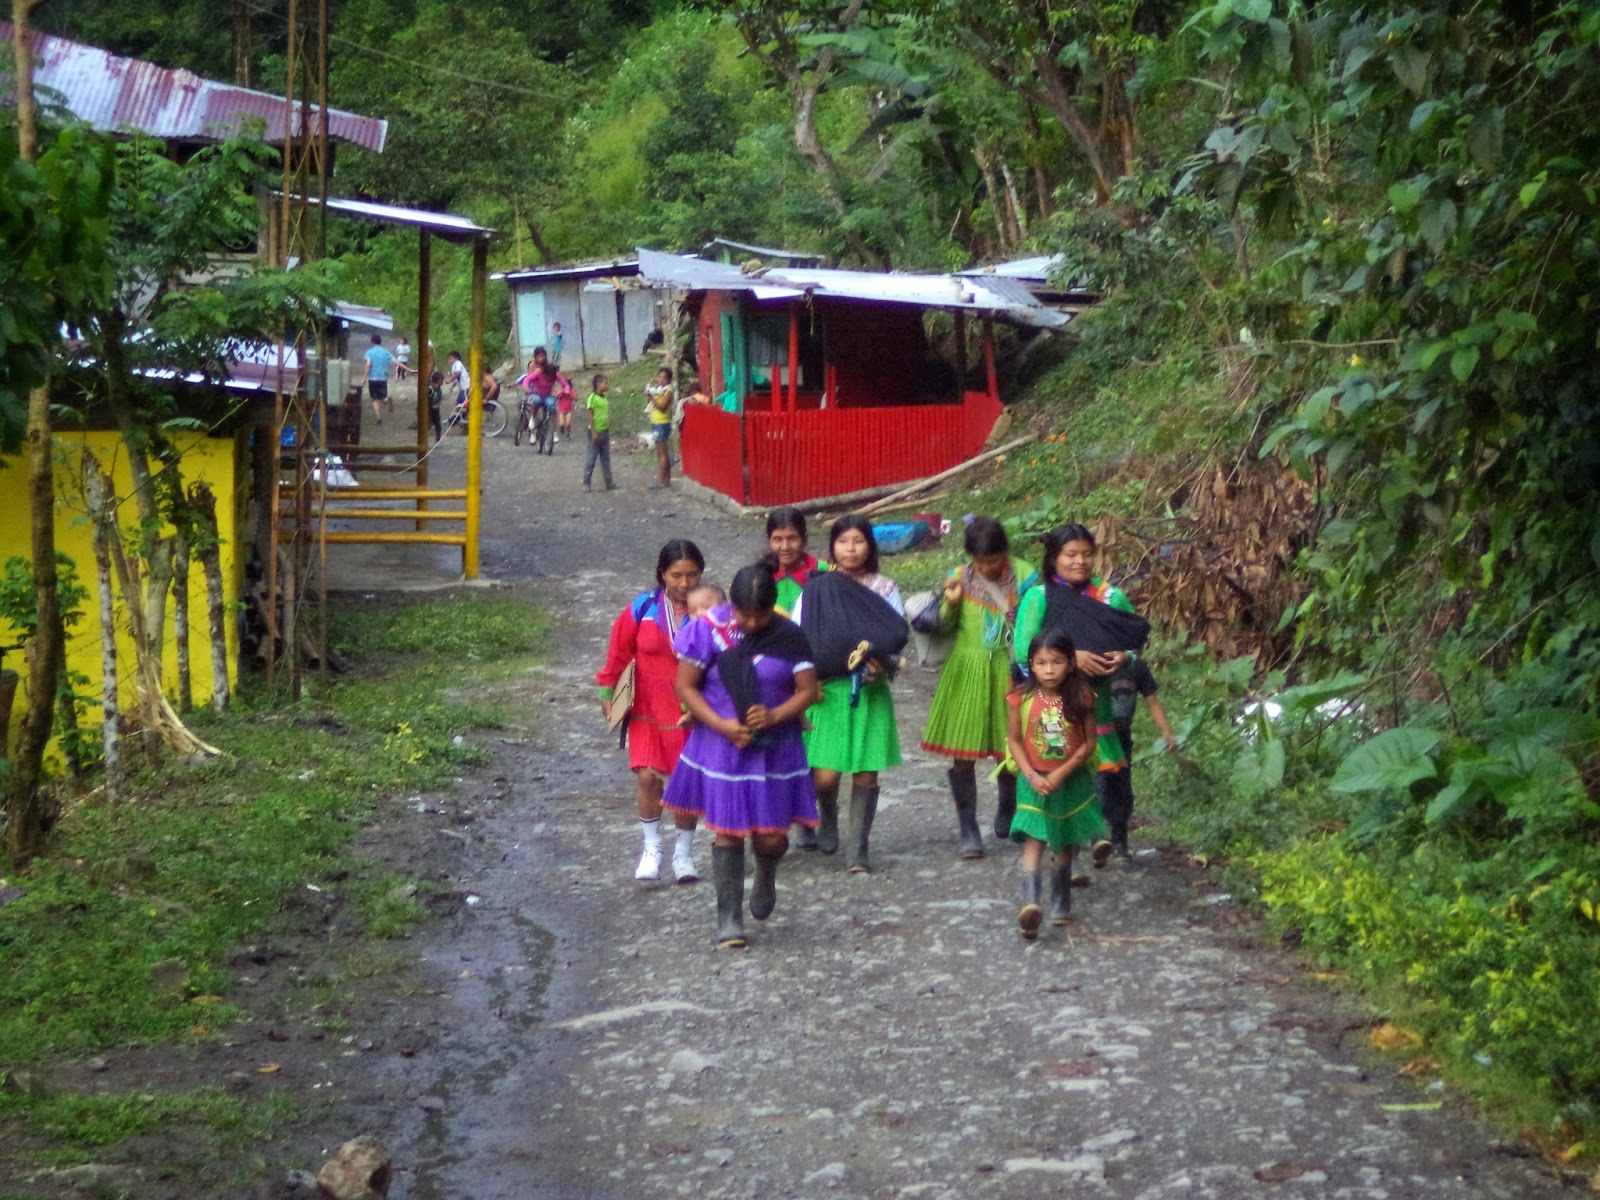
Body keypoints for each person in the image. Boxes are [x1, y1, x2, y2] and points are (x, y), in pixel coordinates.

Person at [663, 564, 820, 948]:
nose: (749, 623)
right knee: (727, 833)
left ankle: (766, 873)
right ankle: (729, 918)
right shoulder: (707, 631)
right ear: (731, 605)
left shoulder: (790, 636)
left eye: (760, 616)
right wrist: (721, 725)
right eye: (742, 614)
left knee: (770, 839)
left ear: (773, 609)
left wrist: (774, 716)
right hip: (722, 747)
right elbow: (686, 686)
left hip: (775, 749)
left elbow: (807, 691)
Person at [1012, 523, 1151, 875]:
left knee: (1111, 769)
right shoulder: (1038, 598)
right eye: (1070, 555)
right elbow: (1022, 652)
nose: (1080, 562)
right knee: (1065, 770)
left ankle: (1113, 835)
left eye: (1087, 554)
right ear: (1054, 558)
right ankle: (1066, 851)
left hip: (1100, 702)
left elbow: (1132, 641)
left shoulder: (1109, 597)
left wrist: (1124, 658)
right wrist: (1074, 660)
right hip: (1055, 706)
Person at [791, 515, 907, 872]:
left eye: (858, 541)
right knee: (824, 775)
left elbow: (895, 638)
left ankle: (858, 849)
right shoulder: (817, 588)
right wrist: (804, 685)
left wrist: (883, 665)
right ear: (832, 547)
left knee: (866, 773)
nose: (851, 549)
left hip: (870, 692)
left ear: (869, 545)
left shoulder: (885, 589)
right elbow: (798, 636)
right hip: (827, 691)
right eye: (843, 542)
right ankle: (827, 812)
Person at [919, 516, 1038, 858]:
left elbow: (1036, 622)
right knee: (963, 752)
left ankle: (1008, 805)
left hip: (1009, 669)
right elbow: (941, 626)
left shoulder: (1026, 576)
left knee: (1010, 747)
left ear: (1006, 553)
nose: (987, 567)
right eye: (980, 561)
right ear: (970, 557)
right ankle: (968, 828)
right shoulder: (958, 578)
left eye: (995, 560)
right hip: (966, 668)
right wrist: (951, 603)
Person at [596, 540, 707, 884]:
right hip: (646, 706)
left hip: (691, 711)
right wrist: (607, 692)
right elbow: (617, 653)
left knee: (686, 783)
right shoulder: (642, 609)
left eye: (692, 575)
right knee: (647, 776)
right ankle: (651, 847)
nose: (684, 584)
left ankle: (684, 853)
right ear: (662, 574)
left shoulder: (709, 609)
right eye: (677, 575)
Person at [1006, 628, 1102, 938]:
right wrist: (1032, 775)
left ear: (1071, 664)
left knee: (1062, 838)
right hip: (1033, 780)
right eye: (1042, 663)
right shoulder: (1020, 698)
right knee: (1034, 840)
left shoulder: (1082, 697)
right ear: (1031, 665)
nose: (1049, 670)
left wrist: (1062, 772)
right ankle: (1031, 904)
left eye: (1057, 662)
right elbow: (1015, 740)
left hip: (1068, 781)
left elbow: (1088, 743)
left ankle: (1061, 902)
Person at [1100, 657, 1178, 859]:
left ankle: (1119, 839)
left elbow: (1152, 701)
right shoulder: (1094, 662)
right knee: (1098, 785)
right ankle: (1097, 838)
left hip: (1122, 737)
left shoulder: (1136, 666)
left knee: (1121, 786)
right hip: (1097, 736)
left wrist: (1166, 732)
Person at [763, 506, 829, 619]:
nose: (785, 547)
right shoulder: (761, 576)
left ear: (804, 540)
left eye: (792, 538)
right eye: (778, 539)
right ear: (768, 541)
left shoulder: (822, 572)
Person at [584, 373, 615, 491]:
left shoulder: (604, 399)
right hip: (596, 432)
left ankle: (609, 482)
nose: (607, 385)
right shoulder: (592, 398)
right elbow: (590, 414)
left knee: (606, 459)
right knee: (591, 457)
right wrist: (593, 431)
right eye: (605, 383)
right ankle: (586, 482)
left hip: (604, 431)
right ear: (598, 384)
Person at [645, 367, 674, 490]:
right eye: (660, 377)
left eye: (664, 377)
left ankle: (662, 482)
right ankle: (666, 480)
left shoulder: (668, 391)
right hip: (657, 422)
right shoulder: (660, 390)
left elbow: (662, 407)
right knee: (663, 453)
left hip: (661, 423)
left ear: (669, 379)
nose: (661, 380)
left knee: (661, 453)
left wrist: (651, 397)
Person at [363, 334, 394, 425]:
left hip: (372, 379)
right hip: (383, 378)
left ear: (372, 342)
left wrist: (364, 377)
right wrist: (409, 369)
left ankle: (379, 418)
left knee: (374, 399)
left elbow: (368, 364)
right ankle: (387, 399)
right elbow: (395, 361)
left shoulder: (369, 352)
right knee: (382, 398)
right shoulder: (385, 352)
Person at [447, 350, 470, 415]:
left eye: (451, 358)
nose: (449, 361)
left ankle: (465, 418)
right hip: (462, 388)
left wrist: (449, 380)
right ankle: (457, 418)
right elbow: (457, 378)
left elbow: (457, 374)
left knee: (464, 404)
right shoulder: (456, 365)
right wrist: (452, 386)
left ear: (456, 358)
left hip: (465, 387)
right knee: (459, 403)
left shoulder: (457, 363)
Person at [426, 370, 444, 442]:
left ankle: (438, 440)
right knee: (427, 425)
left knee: (438, 425)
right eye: (442, 380)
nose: (442, 381)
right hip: (428, 409)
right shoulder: (429, 388)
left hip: (436, 409)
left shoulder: (439, 388)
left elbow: (440, 397)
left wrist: (438, 404)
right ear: (439, 380)